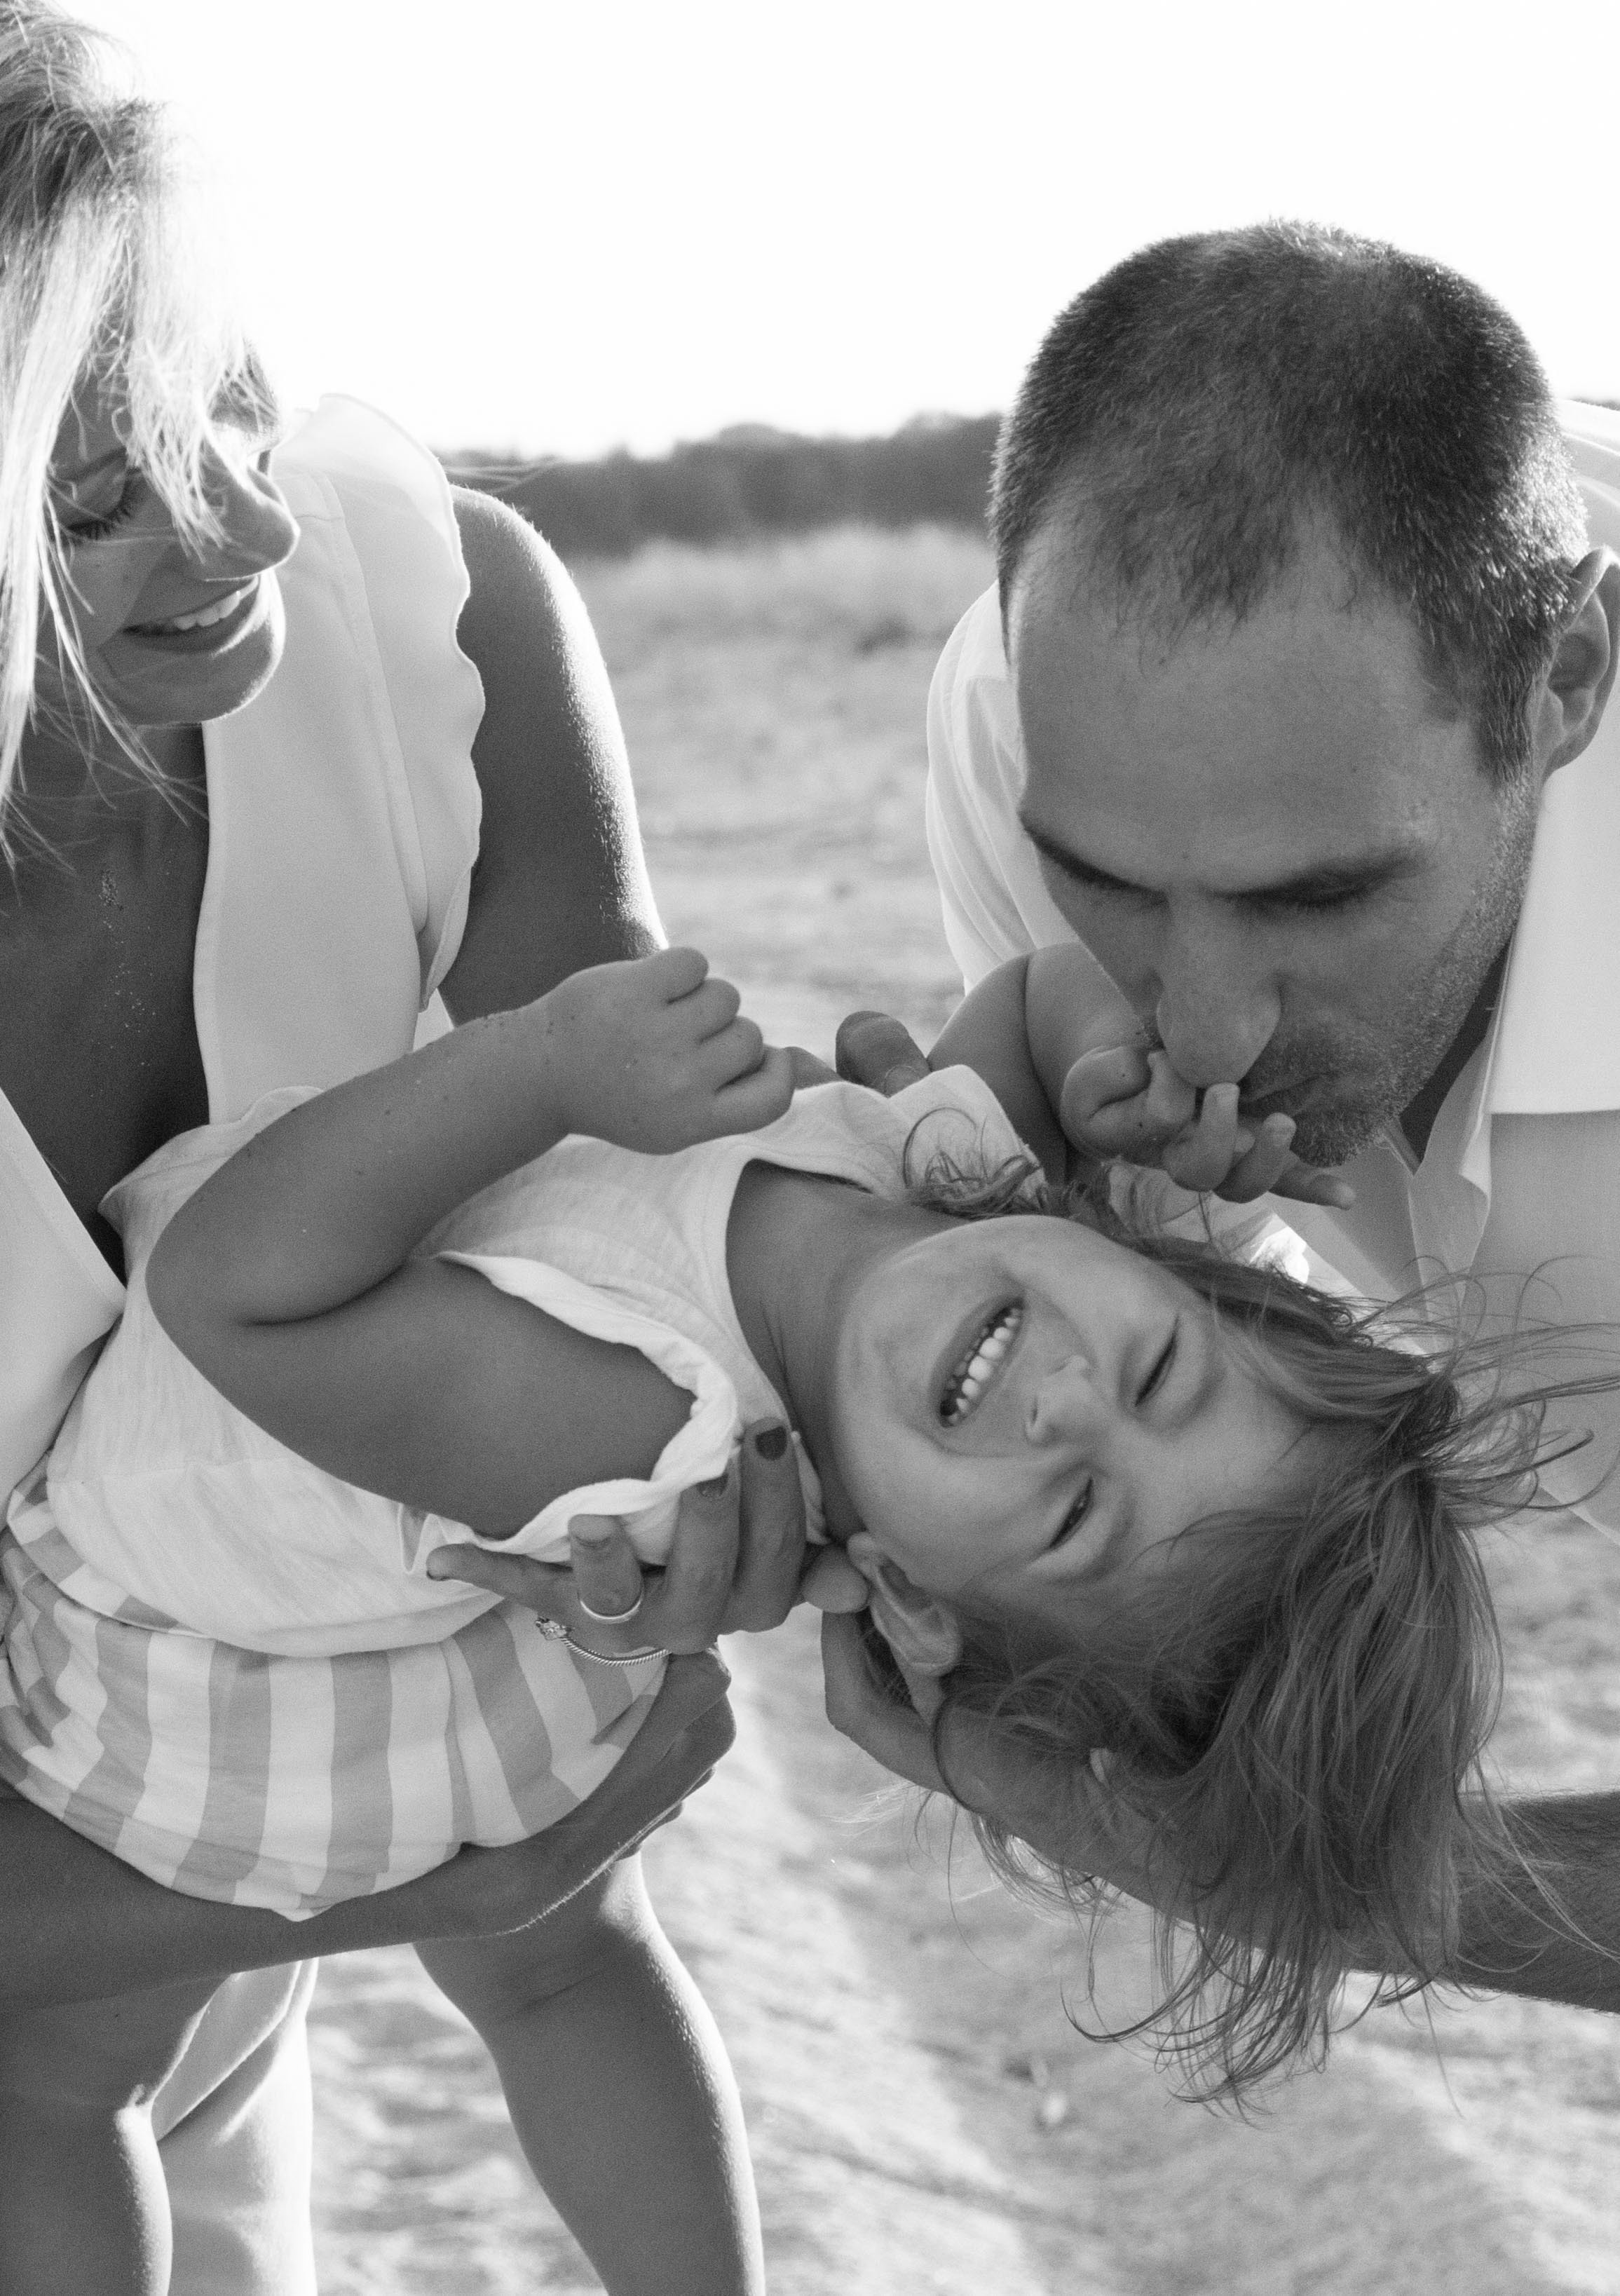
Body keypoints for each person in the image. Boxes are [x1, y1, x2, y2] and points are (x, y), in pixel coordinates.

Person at [0, 933, 1600, 2292]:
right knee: (567, 1976)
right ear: (1180, 1270)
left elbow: (237, 1293)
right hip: (523, 1643)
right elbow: (1040, 1000)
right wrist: (1112, 1064)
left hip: (212, 1642)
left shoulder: (620, 1415)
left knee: (68, 2082)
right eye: (1165, 1368)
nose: (1061, 1399)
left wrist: (537, 1069)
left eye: (1071, 1513)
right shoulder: (935, 1189)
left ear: (908, 1595)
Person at [0, 11, 805, 2291]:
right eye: (96, 491)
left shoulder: (418, 615)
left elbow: (650, 1189)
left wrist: (714, 1455)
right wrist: (396, 1882)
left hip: (183, 1909)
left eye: (231, 387)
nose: (244, 513)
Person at [829, 221, 1620, 2013]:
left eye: (1318, 900)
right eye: (1103, 887)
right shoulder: (1041, 713)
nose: (1198, 1027)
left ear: (1564, 681)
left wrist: (1291, 1886)